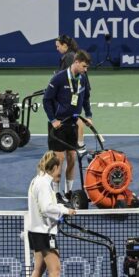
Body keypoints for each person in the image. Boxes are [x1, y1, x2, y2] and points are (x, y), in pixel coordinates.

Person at [26, 151, 76, 277]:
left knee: (39, 269)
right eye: (58, 169)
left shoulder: (36, 181)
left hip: (35, 231)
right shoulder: (43, 184)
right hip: (44, 233)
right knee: (55, 270)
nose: (59, 172)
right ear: (54, 167)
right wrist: (64, 210)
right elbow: (47, 208)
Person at [43, 50, 93, 203]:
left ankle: (69, 191)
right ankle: (56, 194)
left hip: (73, 124)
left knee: (72, 158)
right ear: (76, 62)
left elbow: (85, 98)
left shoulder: (83, 79)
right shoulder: (59, 78)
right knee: (59, 159)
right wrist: (53, 120)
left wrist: (89, 115)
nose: (85, 70)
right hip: (58, 125)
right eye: (84, 66)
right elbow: (47, 100)